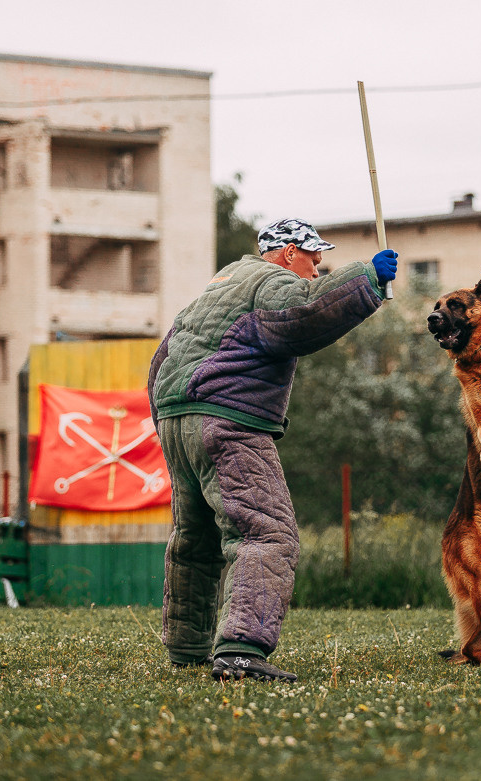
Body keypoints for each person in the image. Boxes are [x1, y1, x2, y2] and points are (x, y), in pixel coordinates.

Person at [147, 218, 398, 682]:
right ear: (286, 252)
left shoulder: (222, 282)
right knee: (267, 534)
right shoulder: (272, 281)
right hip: (228, 420)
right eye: (313, 256)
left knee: (195, 540)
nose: (318, 266)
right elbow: (301, 316)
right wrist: (367, 279)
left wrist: (168, 418)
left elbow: (164, 353)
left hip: (178, 417)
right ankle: (240, 650)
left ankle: (187, 647)